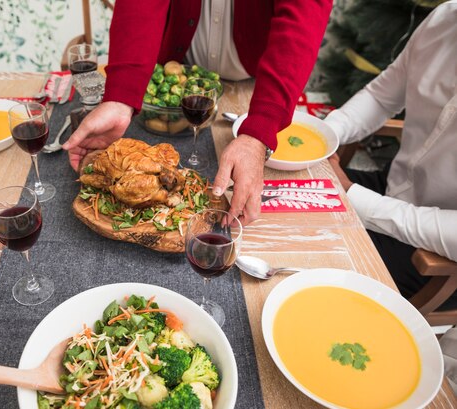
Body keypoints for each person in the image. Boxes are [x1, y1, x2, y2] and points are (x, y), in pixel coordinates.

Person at [63, 0, 332, 225]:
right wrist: (120, 98)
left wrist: (259, 132)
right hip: (181, 70)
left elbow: (303, 16)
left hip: (260, 89)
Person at [325, 0, 457, 305]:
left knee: (308, 276)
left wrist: (354, 196)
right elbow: (382, 97)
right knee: (275, 199)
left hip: (431, 255)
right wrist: (324, 139)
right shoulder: (445, 18)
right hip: (389, 188)